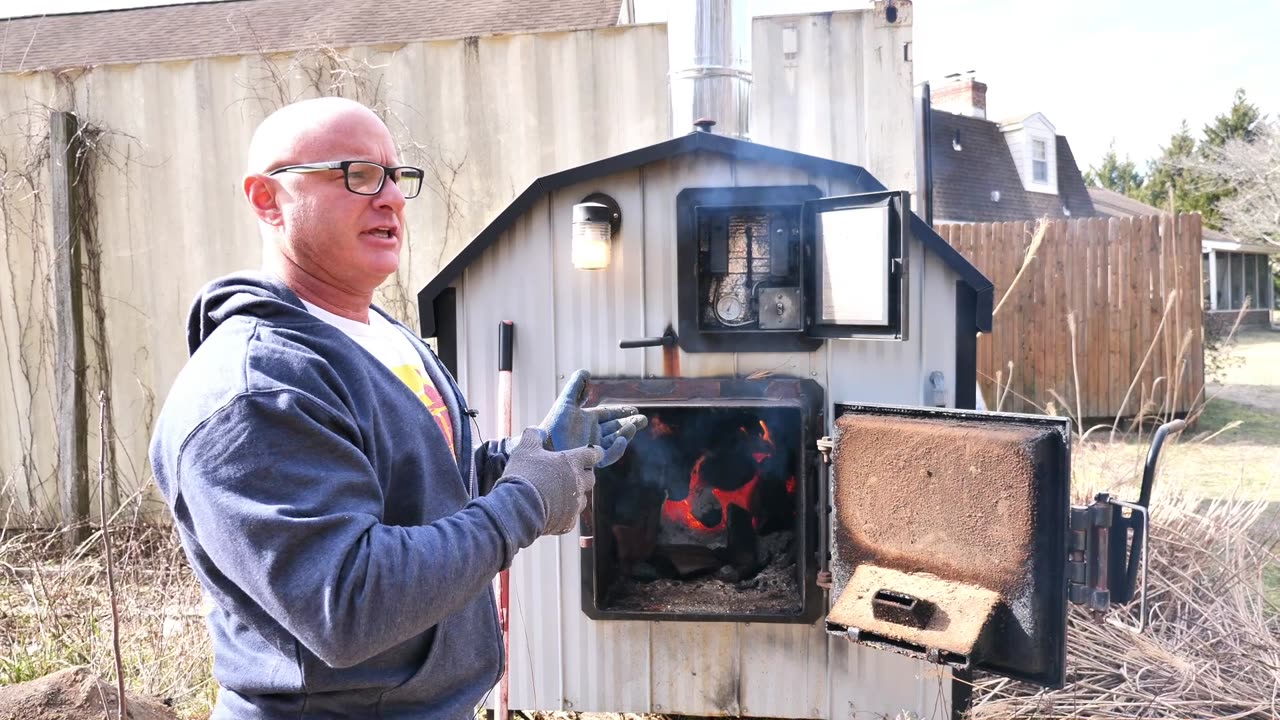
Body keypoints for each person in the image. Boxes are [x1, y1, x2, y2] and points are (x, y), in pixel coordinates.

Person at [149, 97, 647, 719]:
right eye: (355, 173)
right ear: (266, 199)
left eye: (394, 176)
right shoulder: (255, 391)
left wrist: (519, 461)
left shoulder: (378, 333)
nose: (389, 198)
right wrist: (523, 501)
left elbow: (413, 485)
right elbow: (348, 606)